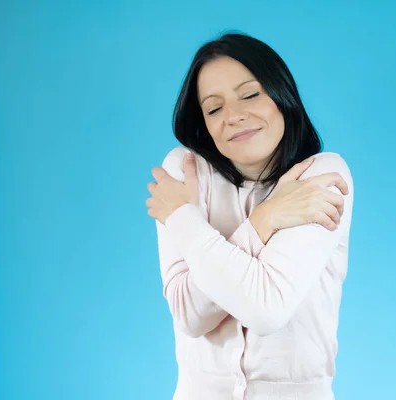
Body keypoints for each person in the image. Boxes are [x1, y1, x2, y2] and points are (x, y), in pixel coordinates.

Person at [145, 32, 354, 400]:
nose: (234, 116)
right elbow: (190, 315)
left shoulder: (322, 177)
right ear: (203, 123)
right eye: (213, 108)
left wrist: (182, 215)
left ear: (281, 95)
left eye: (250, 94)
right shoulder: (185, 172)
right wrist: (265, 220)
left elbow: (265, 309)